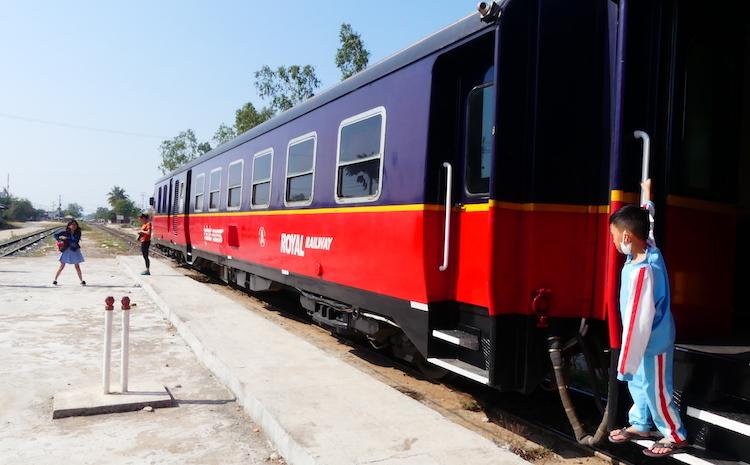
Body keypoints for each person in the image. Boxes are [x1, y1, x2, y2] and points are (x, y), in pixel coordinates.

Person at [607, 179, 688, 457]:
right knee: (639, 383)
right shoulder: (647, 247)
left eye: (615, 237)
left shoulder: (644, 271)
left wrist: (625, 361)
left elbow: (637, 326)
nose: (614, 242)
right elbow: (647, 221)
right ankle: (641, 423)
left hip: (652, 341)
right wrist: (646, 195)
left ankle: (674, 434)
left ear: (628, 237)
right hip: (645, 341)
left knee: (656, 388)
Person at [53, 219, 86, 286]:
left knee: (77, 266)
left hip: (75, 250)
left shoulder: (78, 233)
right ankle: (55, 280)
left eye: (75, 225)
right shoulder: (65, 232)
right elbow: (55, 235)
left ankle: (81, 280)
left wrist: (66, 238)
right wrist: (60, 239)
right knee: (62, 265)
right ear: (69, 226)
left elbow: (75, 241)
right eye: (72, 224)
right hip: (66, 250)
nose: (74, 226)